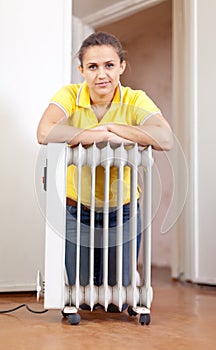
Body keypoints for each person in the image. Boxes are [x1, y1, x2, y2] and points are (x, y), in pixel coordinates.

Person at [37, 31, 173, 312]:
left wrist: (112, 129)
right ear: (81, 71)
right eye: (93, 67)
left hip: (121, 209)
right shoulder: (71, 95)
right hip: (78, 208)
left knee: (116, 303)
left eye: (109, 65)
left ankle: (129, 283)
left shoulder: (134, 99)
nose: (102, 75)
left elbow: (166, 139)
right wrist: (92, 133)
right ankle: (81, 296)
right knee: (82, 294)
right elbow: (45, 131)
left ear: (121, 66)